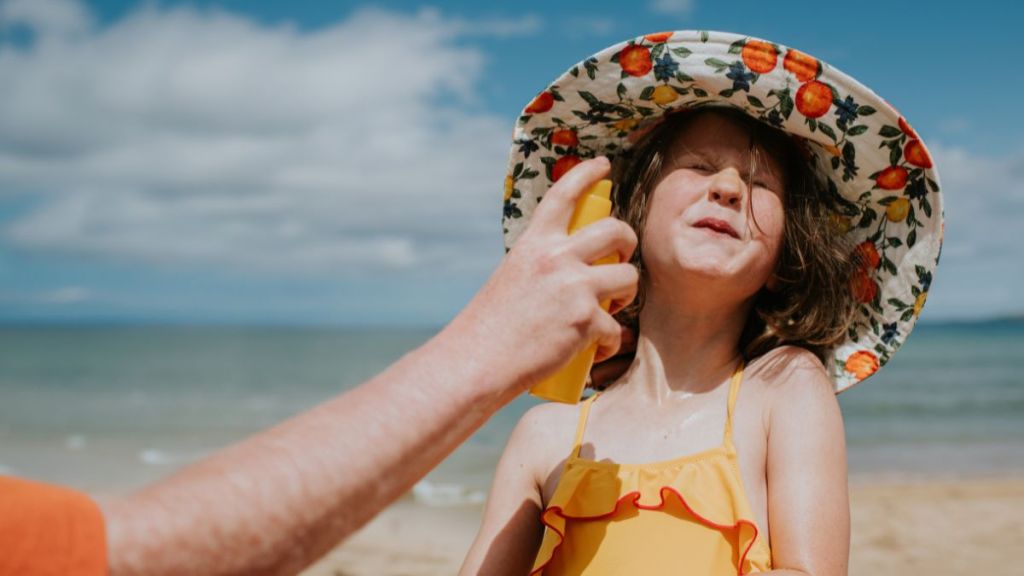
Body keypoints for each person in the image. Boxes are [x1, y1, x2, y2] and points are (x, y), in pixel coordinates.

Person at [0, 156, 640, 576]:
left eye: (749, 180)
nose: (727, 189)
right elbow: (130, 556)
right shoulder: (546, 437)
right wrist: (496, 341)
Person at [461, 30, 943, 575]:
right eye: (698, 167)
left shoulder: (784, 391)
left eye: (762, 184)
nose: (730, 187)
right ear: (631, 213)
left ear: (786, 259)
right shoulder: (545, 436)